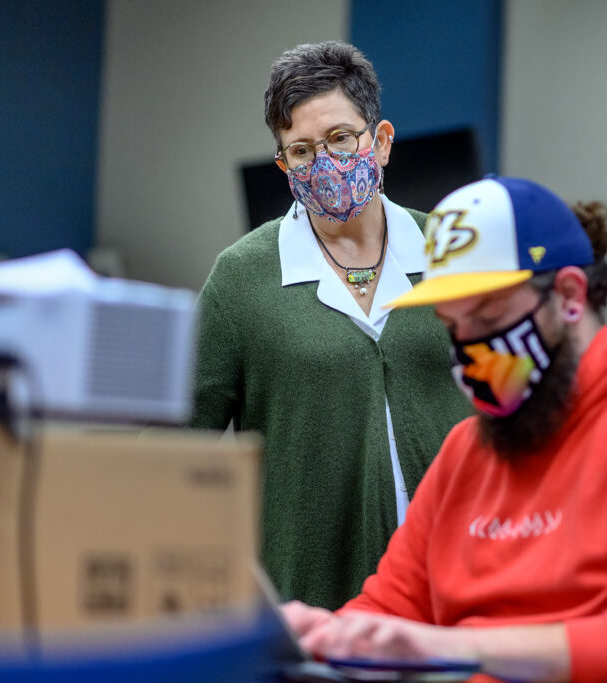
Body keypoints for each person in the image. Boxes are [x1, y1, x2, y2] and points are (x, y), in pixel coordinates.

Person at [282, 176, 607, 681]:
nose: (468, 349)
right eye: (452, 327)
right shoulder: (467, 452)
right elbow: (391, 612)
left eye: (487, 316)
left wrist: (460, 647)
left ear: (568, 296)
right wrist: (322, 637)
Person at [189, 41, 471, 610]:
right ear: (283, 165)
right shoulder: (244, 277)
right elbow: (171, 445)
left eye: (341, 139)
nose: (325, 163)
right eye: (301, 151)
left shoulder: (451, 251)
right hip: (311, 600)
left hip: (458, 586)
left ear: (381, 141)